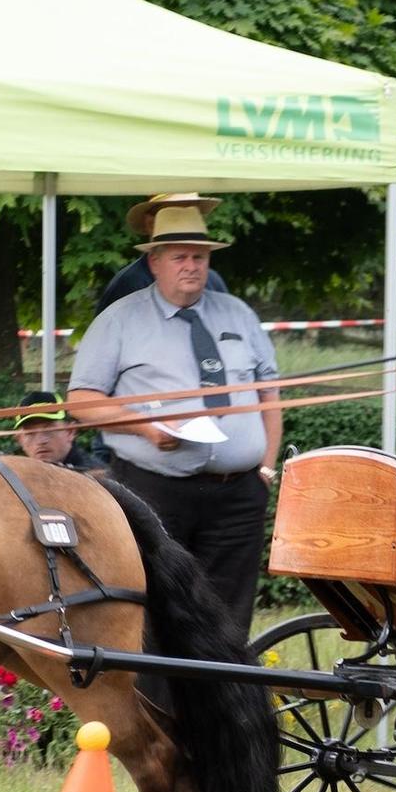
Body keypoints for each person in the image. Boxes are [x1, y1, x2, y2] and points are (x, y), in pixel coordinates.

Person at [67, 205, 280, 641]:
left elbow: (269, 394)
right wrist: (145, 428)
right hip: (155, 489)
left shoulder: (237, 313)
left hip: (238, 494)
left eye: (199, 257)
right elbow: (82, 402)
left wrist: (266, 466)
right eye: (179, 257)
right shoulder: (119, 320)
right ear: (155, 262)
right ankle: (161, 709)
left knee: (229, 618)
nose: (191, 266)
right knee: (160, 613)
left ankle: (223, 705)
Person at [95, 193, 230, 314]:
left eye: (193, 213)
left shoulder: (212, 281)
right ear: (150, 224)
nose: (187, 222)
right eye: (174, 215)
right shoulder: (129, 284)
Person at [10, 390, 109, 478]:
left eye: (49, 430)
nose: (41, 441)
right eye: (30, 433)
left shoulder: (97, 477)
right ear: (20, 440)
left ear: (71, 432)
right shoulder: (16, 478)